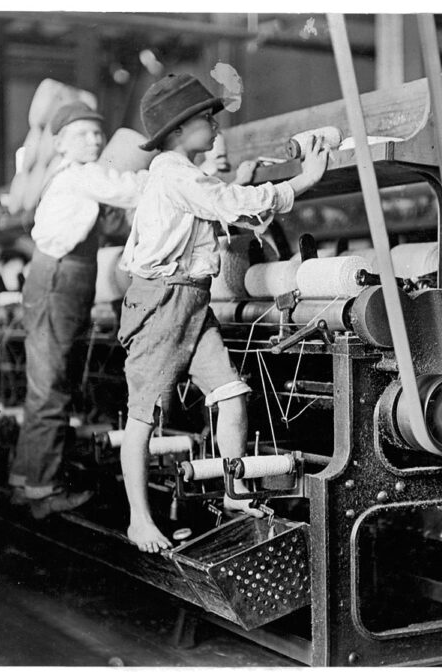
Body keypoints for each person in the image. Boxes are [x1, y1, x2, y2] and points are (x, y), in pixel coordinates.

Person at [117, 74, 329, 552]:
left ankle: (234, 492)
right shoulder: (174, 172)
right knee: (143, 418)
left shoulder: (186, 173)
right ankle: (138, 520)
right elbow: (231, 203)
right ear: (176, 131)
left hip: (192, 300)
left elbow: (228, 203)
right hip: (161, 304)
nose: (216, 126)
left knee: (231, 393)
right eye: (206, 118)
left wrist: (257, 185)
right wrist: (303, 181)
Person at [10, 101, 145, 519]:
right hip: (59, 282)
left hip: (59, 280)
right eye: (82, 133)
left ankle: (27, 480)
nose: (95, 139)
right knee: (50, 388)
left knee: (48, 386)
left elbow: (111, 224)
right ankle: (43, 492)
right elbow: (132, 189)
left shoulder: (72, 179)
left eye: (97, 132)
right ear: (59, 143)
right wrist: (179, 173)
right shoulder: (81, 175)